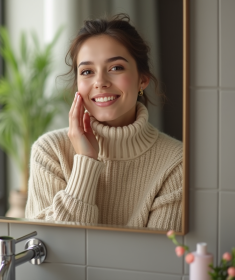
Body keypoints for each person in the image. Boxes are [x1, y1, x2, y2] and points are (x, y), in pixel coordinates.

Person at [25, 14, 182, 231]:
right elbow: (51, 251)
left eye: (116, 68)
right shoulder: (50, 151)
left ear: (142, 80)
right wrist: (85, 161)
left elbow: (156, 260)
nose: (100, 82)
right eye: (87, 72)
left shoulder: (176, 162)